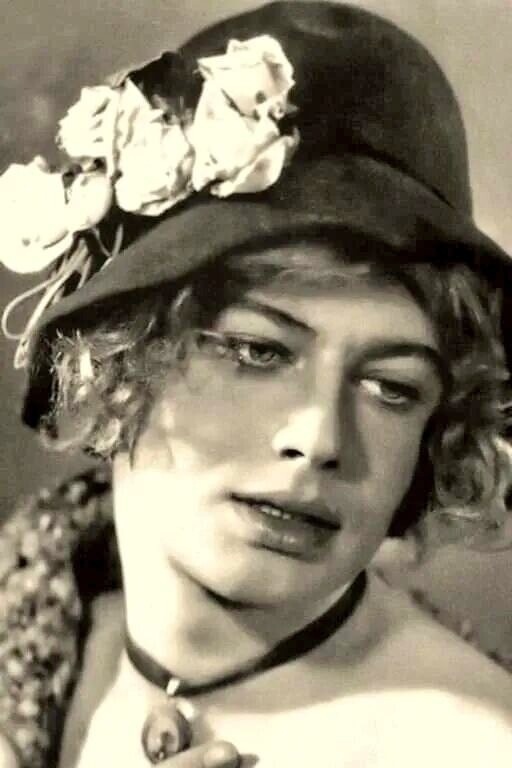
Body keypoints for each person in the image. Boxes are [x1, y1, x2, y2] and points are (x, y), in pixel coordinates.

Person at [1, 2, 512, 767]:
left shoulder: (469, 748)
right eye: (257, 351)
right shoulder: (36, 606)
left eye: (392, 388)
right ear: (118, 356)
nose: (319, 439)